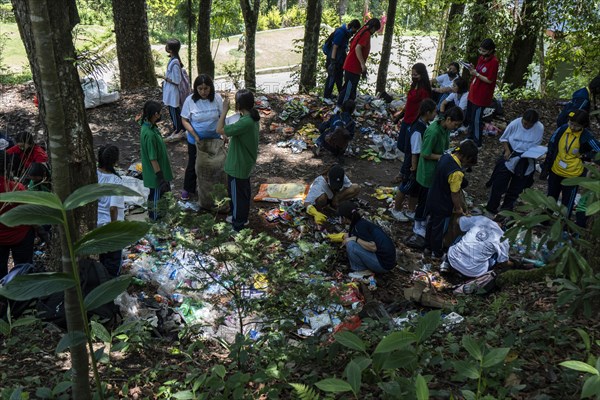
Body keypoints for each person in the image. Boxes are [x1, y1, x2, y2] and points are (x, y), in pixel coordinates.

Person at [407, 107, 465, 246]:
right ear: (448, 119)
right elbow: (425, 153)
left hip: (437, 169)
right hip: (427, 170)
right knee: (424, 200)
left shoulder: (445, 129)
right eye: (455, 124)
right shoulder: (433, 132)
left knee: (430, 199)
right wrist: (445, 158)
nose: (455, 128)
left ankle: (426, 221)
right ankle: (418, 224)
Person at [424, 140, 479, 258]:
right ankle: (436, 252)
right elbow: (455, 193)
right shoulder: (456, 173)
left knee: (431, 223)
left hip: (432, 196)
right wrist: (458, 208)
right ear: (465, 157)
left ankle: (427, 246)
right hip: (442, 203)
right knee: (439, 228)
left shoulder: (445, 157)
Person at [541, 110, 600, 218]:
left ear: (583, 126)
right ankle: (545, 218)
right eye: (571, 123)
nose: (572, 127)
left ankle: (564, 224)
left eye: (576, 126)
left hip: (572, 175)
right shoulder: (563, 129)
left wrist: (587, 156)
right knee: (551, 196)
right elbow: (552, 143)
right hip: (556, 170)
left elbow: (598, 151)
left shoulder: (586, 136)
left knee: (567, 201)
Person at [485, 109, 544, 216]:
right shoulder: (515, 123)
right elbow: (504, 138)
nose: (526, 126)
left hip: (526, 159)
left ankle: (505, 211)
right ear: (522, 119)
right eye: (525, 124)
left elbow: (536, 145)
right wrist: (507, 150)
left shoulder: (539, 128)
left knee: (516, 188)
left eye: (530, 125)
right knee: (499, 184)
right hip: (511, 154)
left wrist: (535, 155)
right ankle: (491, 208)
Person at [216, 89, 260, 231]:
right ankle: (242, 218)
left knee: (236, 196)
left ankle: (237, 224)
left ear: (239, 104)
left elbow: (219, 129)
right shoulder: (251, 118)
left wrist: (224, 110)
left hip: (238, 165)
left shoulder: (245, 122)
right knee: (243, 193)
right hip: (244, 163)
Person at [180, 74, 224, 206]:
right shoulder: (190, 101)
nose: (203, 92)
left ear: (211, 88)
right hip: (196, 139)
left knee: (216, 165)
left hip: (214, 138)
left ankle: (214, 189)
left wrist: (224, 132)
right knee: (194, 163)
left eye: (206, 88)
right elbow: (184, 120)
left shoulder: (216, 99)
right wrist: (194, 135)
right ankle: (188, 188)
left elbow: (222, 116)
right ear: (195, 89)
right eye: (200, 89)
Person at [391, 99, 437, 222]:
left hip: (416, 164)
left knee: (415, 189)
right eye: (434, 112)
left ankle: (411, 210)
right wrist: (414, 168)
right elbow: (414, 152)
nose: (435, 115)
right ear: (427, 112)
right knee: (405, 187)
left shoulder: (422, 125)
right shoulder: (417, 130)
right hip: (411, 165)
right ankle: (396, 209)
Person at [0, 151, 34, 279]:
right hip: (21, 235)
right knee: (23, 270)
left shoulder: (16, 188)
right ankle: (22, 297)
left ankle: (4, 297)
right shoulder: (17, 189)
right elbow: (30, 213)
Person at [337, 201, 396, 276]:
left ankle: (360, 271)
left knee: (351, 244)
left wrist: (355, 239)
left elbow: (373, 247)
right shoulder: (359, 222)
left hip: (383, 265)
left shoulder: (359, 227)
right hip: (387, 261)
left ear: (344, 218)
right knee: (350, 239)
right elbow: (351, 235)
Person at [336, 18, 381, 109]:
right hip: (352, 66)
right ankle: (339, 108)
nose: (374, 32)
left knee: (352, 89)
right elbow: (358, 48)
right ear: (373, 27)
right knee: (348, 89)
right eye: (375, 30)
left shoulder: (362, 30)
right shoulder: (366, 34)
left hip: (354, 67)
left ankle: (350, 109)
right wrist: (362, 64)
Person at [139, 100, 173, 221]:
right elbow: (153, 159)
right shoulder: (149, 134)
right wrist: (160, 178)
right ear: (155, 114)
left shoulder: (148, 125)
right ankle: (154, 219)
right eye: (159, 113)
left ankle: (162, 215)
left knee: (161, 196)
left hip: (160, 170)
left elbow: (138, 119)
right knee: (156, 197)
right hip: (156, 173)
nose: (160, 115)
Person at [445, 216, 510, 278]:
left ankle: (445, 263)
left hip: (453, 259)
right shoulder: (503, 238)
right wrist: (514, 264)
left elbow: (458, 220)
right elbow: (503, 261)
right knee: (496, 254)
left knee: (461, 236)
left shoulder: (481, 219)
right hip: (472, 272)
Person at [96, 145, 125, 277]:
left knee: (103, 256)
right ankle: (110, 284)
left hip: (98, 223)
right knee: (113, 260)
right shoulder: (116, 180)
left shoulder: (94, 174)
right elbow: (113, 207)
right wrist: (114, 227)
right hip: (110, 224)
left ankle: (102, 279)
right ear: (114, 161)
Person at [466, 38, 499, 147]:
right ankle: (469, 137)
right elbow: (478, 72)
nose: (482, 53)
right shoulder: (481, 58)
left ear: (490, 50)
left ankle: (477, 142)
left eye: (484, 51)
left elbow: (489, 80)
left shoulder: (494, 62)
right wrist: (472, 70)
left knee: (477, 119)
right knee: (471, 116)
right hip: (474, 91)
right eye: (480, 50)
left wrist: (477, 74)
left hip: (482, 95)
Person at [395, 63, 432, 159]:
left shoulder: (424, 91)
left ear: (422, 75)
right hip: (407, 118)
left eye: (416, 75)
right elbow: (408, 103)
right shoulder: (414, 86)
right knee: (401, 144)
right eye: (412, 75)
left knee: (409, 148)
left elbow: (425, 107)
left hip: (414, 121)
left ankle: (408, 168)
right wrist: (400, 116)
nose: (413, 77)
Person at [323, 20, 361, 100]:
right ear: (353, 27)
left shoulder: (346, 34)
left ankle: (340, 95)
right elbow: (335, 47)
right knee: (332, 77)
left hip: (340, 59)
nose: (355, 32)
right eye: (355, 30)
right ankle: (326, 96)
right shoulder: (341, 32)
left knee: (339, 77)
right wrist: (332, 62)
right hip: (334, 58)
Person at [161, 38, 186, 142]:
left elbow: (177, 80)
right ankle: (179, 129)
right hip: (170, 92)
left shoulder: (175, 62)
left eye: (167, 46)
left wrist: (165, 78)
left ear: (170, 50)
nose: (165, 47)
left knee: (174, 112)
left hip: (173, 92)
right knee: (173, 111)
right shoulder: (173, 60)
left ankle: (178, 130)